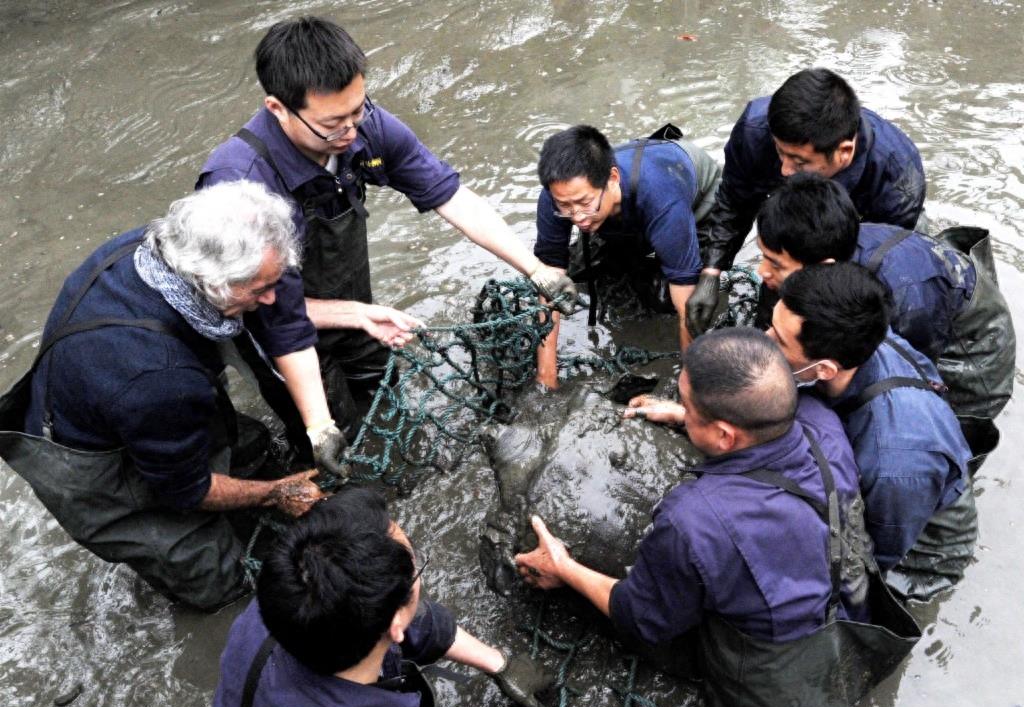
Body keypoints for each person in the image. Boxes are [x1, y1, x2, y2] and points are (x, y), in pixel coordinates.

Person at [199, 16, 577, 470]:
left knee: (384, 388)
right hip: (276, 325)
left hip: (351, 304)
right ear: (278, 108)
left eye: (357, 110)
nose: (352, 131)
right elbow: (267, 311)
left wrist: (535, 269)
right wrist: (320, 427)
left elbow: (450, 196)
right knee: (336, 434)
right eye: (333, 123)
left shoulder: (364, 126)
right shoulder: (239, 184)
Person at [517, 327, 919, 707]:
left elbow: (642, 618)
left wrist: (563, 567)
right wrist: (686, 418)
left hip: (778, 704)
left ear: (726, 434)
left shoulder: (693, 519)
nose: (683, 410)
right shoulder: (823, 420)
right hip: (857, 627)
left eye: (688, 406)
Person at [0, 181, 328, 611]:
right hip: (90, 468)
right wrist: (274, 493)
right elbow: (186, 492)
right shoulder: (159, 379)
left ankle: (224, 473)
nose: (271, 299)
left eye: (275, 282)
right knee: (217, 581)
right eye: (258, 290)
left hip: (116, 396)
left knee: (247, 445)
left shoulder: (151, 245)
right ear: (211, 282)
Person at [212, 486, 554, 707]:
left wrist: (499, 664)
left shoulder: (277, 603)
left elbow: (406, 616)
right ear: (393, 624)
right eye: (414, 565)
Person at [754, 173, 1014, 465]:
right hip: (927, 284)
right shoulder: (812, 245)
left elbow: (910, 379)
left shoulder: (903, 300)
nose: (762, 271)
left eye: (775, 264)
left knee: (930, 440)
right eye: (762, 255)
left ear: (821, 267)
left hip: (969, 340)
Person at [768, 263, 975, 600]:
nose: (765, 341)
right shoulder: (859, 334)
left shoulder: (895, 462)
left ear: (824, 369)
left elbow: (870, 554)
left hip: (922, 544)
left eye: (777, 340)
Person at [686, 67, 926, 337]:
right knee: (770, 318)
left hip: (866, 225)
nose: (785, 170)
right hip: (794, 217)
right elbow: (735, 201)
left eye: (799, 162)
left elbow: (870, 265)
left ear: (843, 153)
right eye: (779, 152)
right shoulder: (757, 130)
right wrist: (711, 271)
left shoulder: (895, 175)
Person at [532, 124, 721, 387]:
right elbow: (549, 281)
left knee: (663, 299)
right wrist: (546, 378)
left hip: (693, 198)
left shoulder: (662, 198)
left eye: (584, 203)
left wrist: (688, 386)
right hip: (622, 209)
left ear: (612, 178)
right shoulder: (557, 197)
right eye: (565, 207)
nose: (576, 218)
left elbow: (686, 304)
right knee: (579, 273)